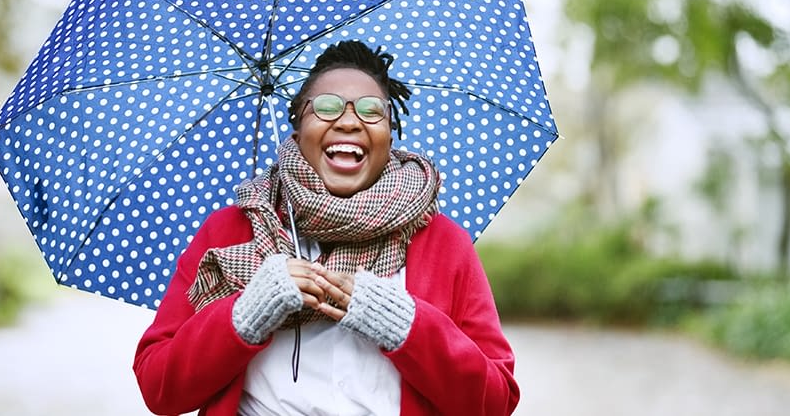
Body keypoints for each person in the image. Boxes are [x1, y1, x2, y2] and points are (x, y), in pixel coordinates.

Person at [133, 40, 519, 415]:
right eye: (326, 107)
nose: (349, 121)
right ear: (298, 125)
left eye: (371, 110)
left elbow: (494, 402)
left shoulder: (442, 241)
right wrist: (245, 315)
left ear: (390, 131)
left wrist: (405, 324)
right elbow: (159, 387)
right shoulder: (231, 229)